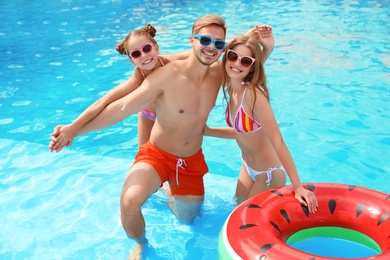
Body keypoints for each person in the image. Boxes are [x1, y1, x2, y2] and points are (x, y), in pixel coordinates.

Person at [51, 15, 273, 259]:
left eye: (218, 44)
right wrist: (74, 131)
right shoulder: (165, 74)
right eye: (204, 40)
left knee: (188, 219)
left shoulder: (220, 74)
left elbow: (247, 66)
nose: (211, 47)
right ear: (192, 40)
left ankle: (169, 193)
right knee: (129, 201)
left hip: (189, 161)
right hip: (156, 154)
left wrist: (261, 42)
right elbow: (120, 106)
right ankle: (141, 244)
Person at [203, 34, 318, 212]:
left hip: (268, 173)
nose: (237, 64)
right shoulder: (233, 88)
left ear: (252, 66)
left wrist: (298, 186)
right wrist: (208, 131)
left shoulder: (253, 95)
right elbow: (241, 132)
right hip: (248, 167)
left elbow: (278, 141)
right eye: (233, 56)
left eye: (246, 61)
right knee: (235, 210)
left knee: (244, 217)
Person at [49, 24, 190, 152]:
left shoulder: (174, 62)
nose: (144, 55)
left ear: (156, 48)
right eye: (136, 54)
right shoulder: (138, 78)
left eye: (147, 48)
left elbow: (201, 54)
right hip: (149, 115)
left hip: (173, 116)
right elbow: (103, 102)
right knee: (145, 157)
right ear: (131, 60)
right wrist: (72, 128)